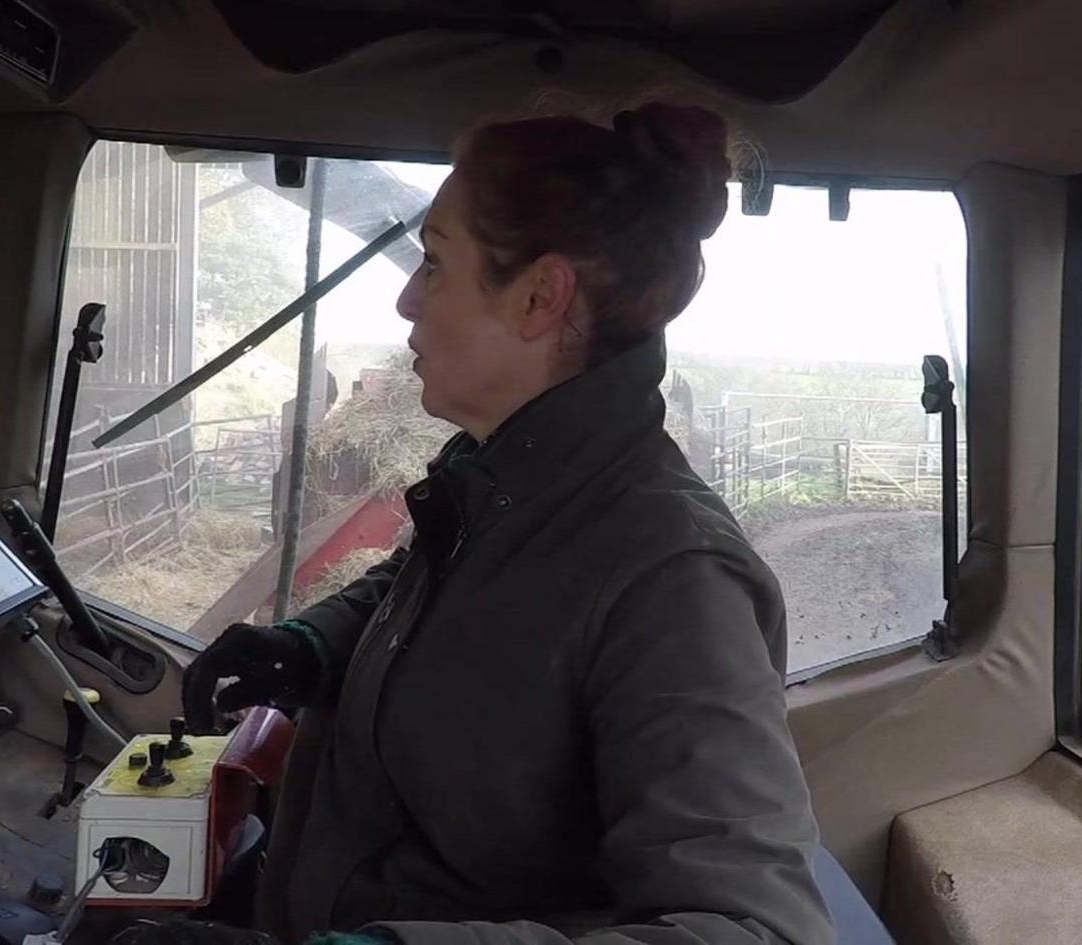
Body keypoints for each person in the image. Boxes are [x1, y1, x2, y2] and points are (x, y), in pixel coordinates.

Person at [172, 102, 835, 945]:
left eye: (435, 263)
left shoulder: (673, 577)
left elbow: (754, 930)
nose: (408, 299)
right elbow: (432, 596)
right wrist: (307, 646)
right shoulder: (506, 484)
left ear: (539, 296)